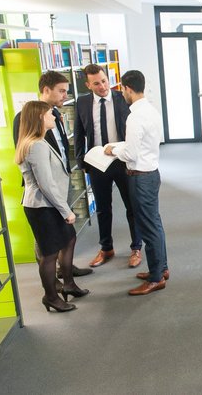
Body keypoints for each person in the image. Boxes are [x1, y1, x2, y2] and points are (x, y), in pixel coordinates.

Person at [12, 71, 92, 285]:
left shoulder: (55, 113)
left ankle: (65, 270)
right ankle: (52, 281)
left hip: (58, 182)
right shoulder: (26, 117)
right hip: (42, 188)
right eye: (61, 90)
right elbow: (29, 155)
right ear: (46, 90)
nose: (65, 95)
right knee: (47, 241)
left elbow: (62, 147)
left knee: (64, 235)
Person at [104, 70, 169, 296]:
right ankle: (161, 268)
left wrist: (113, 149)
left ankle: (156, 277)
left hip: (140, 177)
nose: (122, 93)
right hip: (151, 173)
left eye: (122, 89)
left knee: (149, 227)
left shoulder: (135, 116)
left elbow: (131, 153)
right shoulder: (150, 110)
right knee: (155, 223)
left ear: (128, 89)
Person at [74, 64, 143, 269]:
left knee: (132, 206)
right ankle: (106, 248)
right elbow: (79, 134)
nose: (103, 86)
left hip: (122, 160)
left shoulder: (123, 98)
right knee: (103, 209)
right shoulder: (82, 102)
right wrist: (82, 162)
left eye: (104, 81)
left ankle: (136, 247)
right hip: (97, 163)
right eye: (96, 83)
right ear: (88, 85)